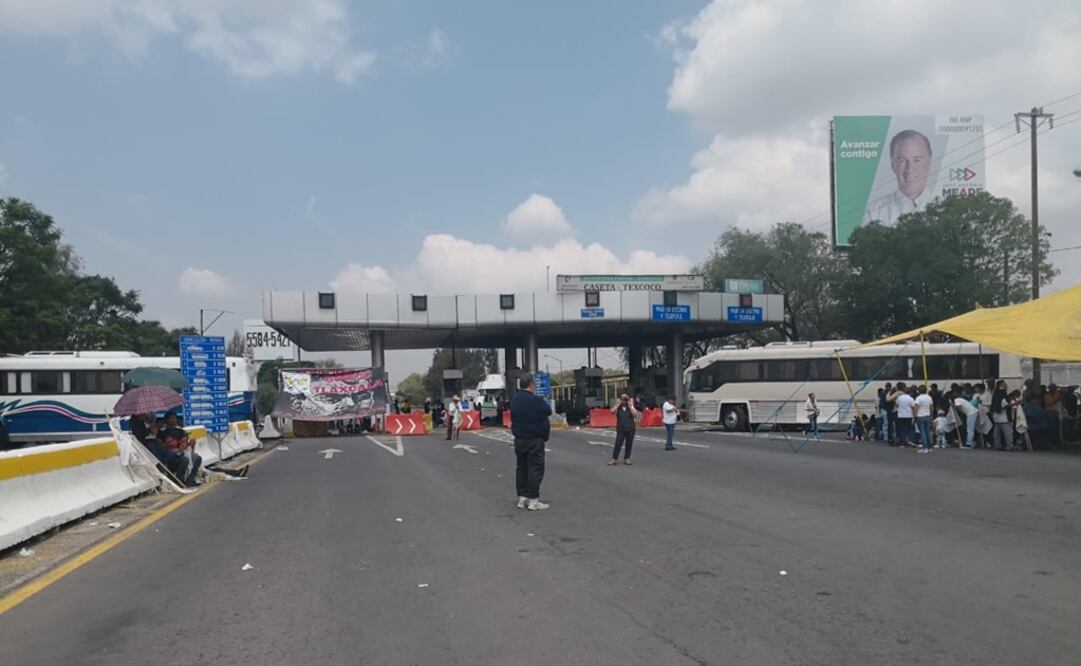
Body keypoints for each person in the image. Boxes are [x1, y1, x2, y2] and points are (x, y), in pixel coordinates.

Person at [863, 129, 934, 226]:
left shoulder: (947, 208)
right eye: (902, 161)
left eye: (917, 160)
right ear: (893, 166)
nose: (909, 169)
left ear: (929, 164)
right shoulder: (874, 212)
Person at [510, 374, 552, 511]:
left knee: (521, 468)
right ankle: (534, 500)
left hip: (519, 439)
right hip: (534, 439)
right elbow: (548, 410)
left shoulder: (515, 400)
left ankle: (522, 498)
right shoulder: (535, 400)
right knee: (535, 468)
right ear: (531, 385)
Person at [610, 393, 638, 465]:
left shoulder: (630, 407)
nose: (624, 401)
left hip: (630, 428)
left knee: (629, 444)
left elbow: (635, 414)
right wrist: (618, 404)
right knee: (618, 443)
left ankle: (627, 458)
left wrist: (630, 405)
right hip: (621, 428)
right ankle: (614, 459)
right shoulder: (618, 408)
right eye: (623, 400)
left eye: (625, 400)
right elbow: (612, 411)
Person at [990, 380, 1013, 451]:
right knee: (1008, 432)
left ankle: (997, 445)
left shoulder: (995, 393)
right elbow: (1004, 404)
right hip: (1004, 416)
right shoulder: (1003, 394)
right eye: (1004, 384)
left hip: (996, 416)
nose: (1006, 385)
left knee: (997, 433)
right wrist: (1012, 404)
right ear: (1001, 385)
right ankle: (1009, 445)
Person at [914, 385, 934, 453]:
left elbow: (916, 408)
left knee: (922, 432)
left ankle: (925, 448)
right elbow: (931, 408)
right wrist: (931, 416)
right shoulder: (929, 397)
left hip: (920, 416)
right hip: (927, 415)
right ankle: (929, 447)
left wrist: (914, 417)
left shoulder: (918, 398)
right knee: (927, 431)